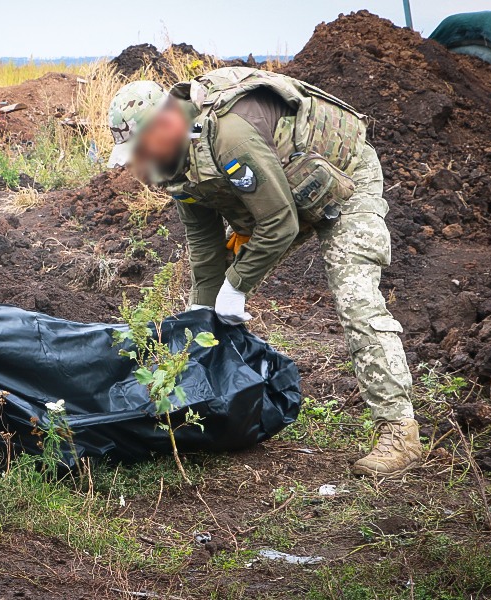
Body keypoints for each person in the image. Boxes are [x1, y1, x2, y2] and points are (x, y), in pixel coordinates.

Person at [107, 68, 421, 477]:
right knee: (218, 298)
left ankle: (399, 431)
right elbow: (205, 254)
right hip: (285, 191)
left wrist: (236, 288)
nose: (140, 164)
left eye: (141, 149)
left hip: (345, 175)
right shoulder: (176, 165)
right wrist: (198, 330)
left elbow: (280, 223)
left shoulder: (227, 137)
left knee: (355, 296)